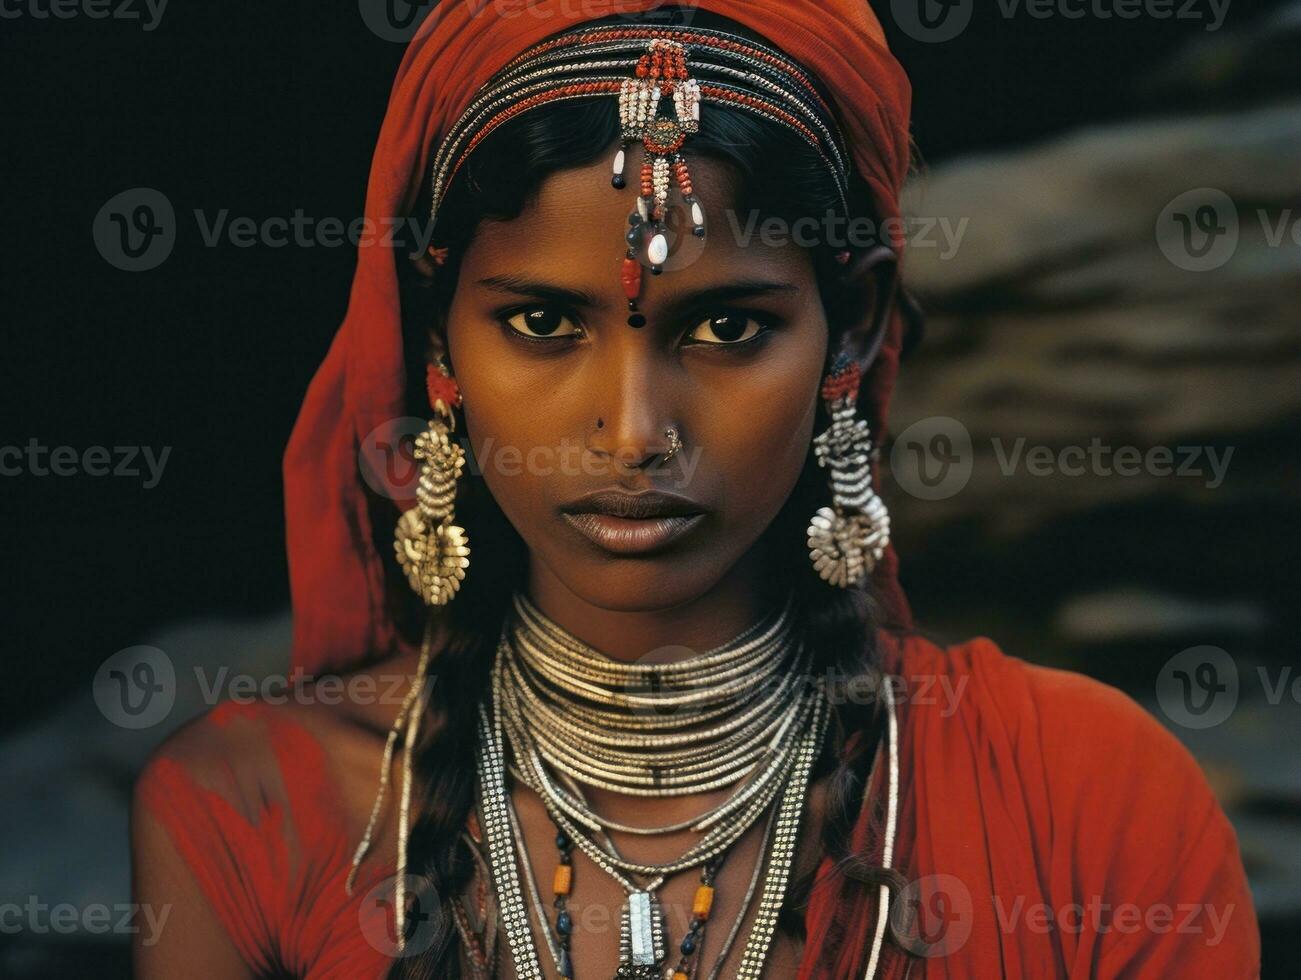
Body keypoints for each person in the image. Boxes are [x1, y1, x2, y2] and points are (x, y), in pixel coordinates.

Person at [130, 2, 1261, 977]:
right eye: (540, 322)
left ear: (850, 330)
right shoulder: (250, 812)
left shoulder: (1087, 799)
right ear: (440, 347)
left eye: (725, 326)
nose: (635, 432)